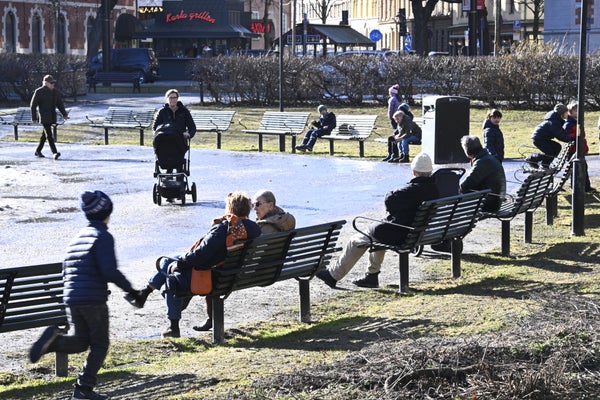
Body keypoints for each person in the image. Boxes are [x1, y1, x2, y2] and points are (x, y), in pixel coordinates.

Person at [29, 190, 144, 400]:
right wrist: (132, 291)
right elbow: (109, 271)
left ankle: (53, 343)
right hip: (92, 299)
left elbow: (66, 271)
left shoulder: (77, 238)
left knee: (81, 342)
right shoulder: (103, 236)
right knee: (100, 344)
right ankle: (83, 389)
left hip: (72, 298)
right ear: (107, 211)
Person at [132, 191, 261, 337]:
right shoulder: (253, 228)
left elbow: (200, 255)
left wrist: (180, 265)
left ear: (230, 209)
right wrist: (181, 261)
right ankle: (146, 292)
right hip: (231, 274)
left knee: (171, 275)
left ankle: (173, 328)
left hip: (213, 277)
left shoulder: (225, 229)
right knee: (170, 260)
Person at [316, 153, 439, 289]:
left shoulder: (411, 190)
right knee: (378, 234)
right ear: (430, 171)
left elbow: (389, 201)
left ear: (414, 172)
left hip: (401, 235)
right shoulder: (434, 190)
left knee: (356, 240)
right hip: (416, 233)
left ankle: (333, 275)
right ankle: (371, 276)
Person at [153, 89, 197, 172]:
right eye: (170, 98)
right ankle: (168, 174)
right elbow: (155, 127)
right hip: (165, 141)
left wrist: (188, 134)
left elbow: (192, 127)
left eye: (174, 98)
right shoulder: (162, 112)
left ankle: (179, 174)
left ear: (177, 98)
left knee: (178, 160)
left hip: (180, 140)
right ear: (167, 99)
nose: (172, 100)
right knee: (166, 158)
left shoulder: (184, 111)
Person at [459, 136, 506, 213]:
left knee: (454, 198)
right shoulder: (488, 158)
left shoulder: (481, 162)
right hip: (495, 201)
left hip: (488, 204)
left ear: (467, 151)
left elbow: (465, 185)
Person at [30, 74, 69, 160]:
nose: (53, 84)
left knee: (44, 135)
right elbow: (33, 105)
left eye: (54, 83)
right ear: (46, 83)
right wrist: (34, 118)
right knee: (49, 135)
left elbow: (59, 104)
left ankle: (38, 151)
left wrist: (64, 114)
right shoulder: (39, 92)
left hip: (52, 116)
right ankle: (54, 152)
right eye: (51, 83)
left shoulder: (55, 92)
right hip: (44, 117)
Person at [526, 103, 571, 169]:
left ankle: (545, 164)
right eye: (566, 112)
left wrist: (568, 136)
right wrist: (569, 139)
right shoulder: (554, 122)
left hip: (543, 138)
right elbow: (559, 134)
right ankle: (532, 159)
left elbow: (561, 132)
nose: (568, 114)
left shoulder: (555, 119)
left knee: (557, 147)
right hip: (539, 138)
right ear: (561, 114)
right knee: (549, 152)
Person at [564, 102, 594, 192]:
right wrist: (576, 136)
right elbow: (567, 137)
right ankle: (577, 187)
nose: (579, 113)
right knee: (576, 169)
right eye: (576, 111)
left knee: (583, 167)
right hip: (573, 151)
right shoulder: (569, 124)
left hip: (580, 150)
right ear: (570, 112)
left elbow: (582, 138)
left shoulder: (578, 123)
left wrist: (585, 148)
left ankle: (586, 187)